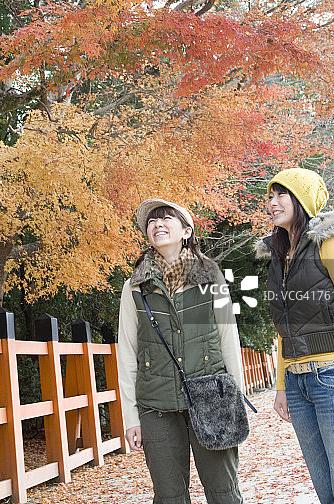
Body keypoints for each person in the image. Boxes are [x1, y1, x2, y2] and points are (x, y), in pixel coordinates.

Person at [256, 167, 334, 504]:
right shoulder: (279, 258)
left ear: (303, 199)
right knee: (327, 491)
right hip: (297, 385)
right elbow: (283, 326)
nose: (273, 201)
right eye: (271, 195)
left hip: (333, 377)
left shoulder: (331, 244)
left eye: (282, 193)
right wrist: (282, 386)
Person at [118, 198, 245, 504]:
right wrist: (130, 417)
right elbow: (127, 352)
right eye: (151, 222)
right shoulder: (135, 287)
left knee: (223, 491)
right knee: (169, 496)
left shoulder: (210, 277)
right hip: (156, 404)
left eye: (166, 219)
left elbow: (229, 339)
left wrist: (236, 399)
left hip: (211, 397)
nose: (157, 225)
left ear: (187, 230)